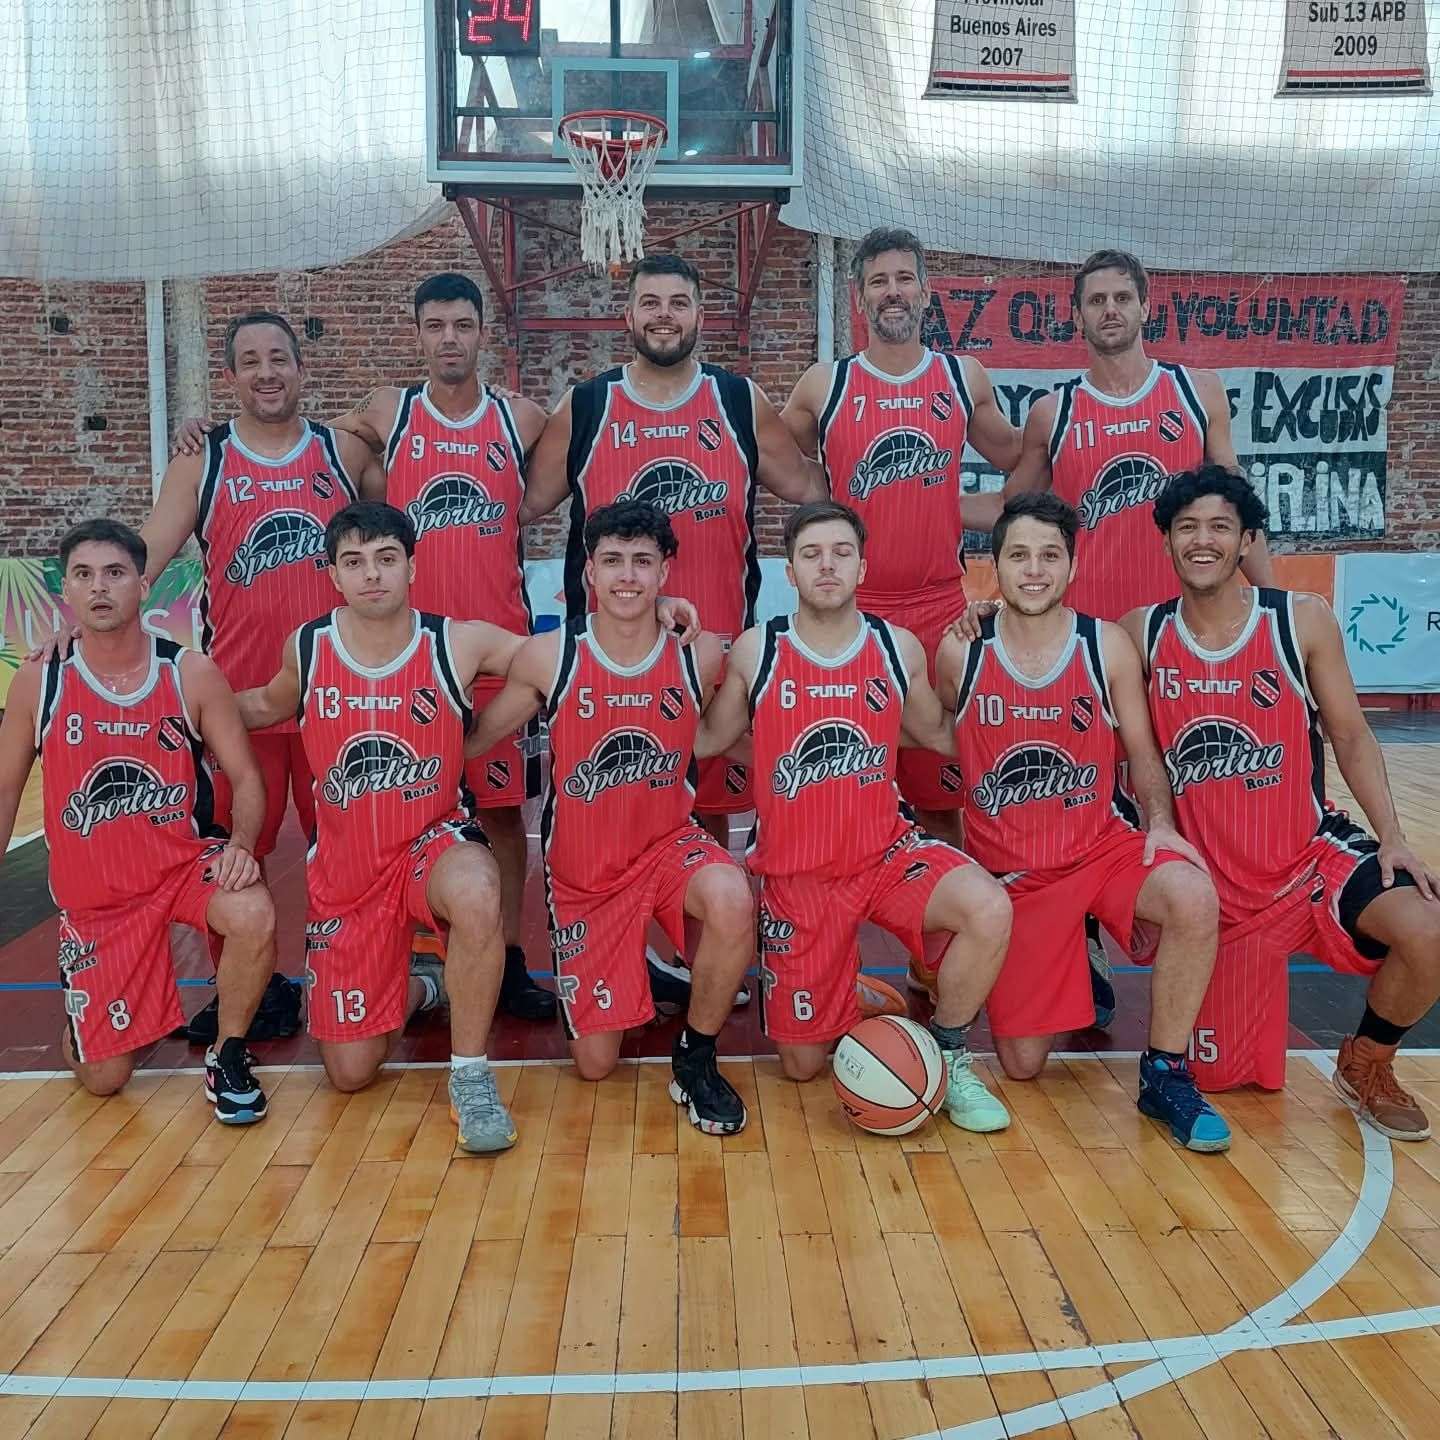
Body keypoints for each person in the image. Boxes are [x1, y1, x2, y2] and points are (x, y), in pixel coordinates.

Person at [175, 275, 557, 1021]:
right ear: (417, 335)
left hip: (486, 653)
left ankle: (506, 961)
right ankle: (359, 967)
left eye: (462, 325)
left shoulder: (522, 417)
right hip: (389, 659)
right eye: (435, 325)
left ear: (483, 332)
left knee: (501, 817)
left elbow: (557, 471)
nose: (449, 338)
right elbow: (286, 423)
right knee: (371, 818)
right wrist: (209, 430)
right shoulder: (383, 416)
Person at [522, 253, 827, 1004]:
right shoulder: (587, 406)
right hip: (608, 663)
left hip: (714, 655)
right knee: (611, 807)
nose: (665, 314)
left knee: (711, 814)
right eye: (651, 302)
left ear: (699, 315)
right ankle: (616, 948)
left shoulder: (738, 401)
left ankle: (696, 962)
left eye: (679, 302)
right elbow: (520, 501)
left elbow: (811, 489)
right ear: (628, 316)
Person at [1124, 465, 1440, 1138]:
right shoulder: (1140, 633)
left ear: (1246, 541)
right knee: (1219, 1079)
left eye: (1220, 527)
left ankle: (1368, 1062)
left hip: (1306, 862)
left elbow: (1350, 735)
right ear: (1166, 540)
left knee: (1431, 927)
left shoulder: (1300, 620)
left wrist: (1393, 835)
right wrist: (985, 621)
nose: (1202, 540)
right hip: (1210, 889)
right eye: (1186, 527)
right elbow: (1060, 657)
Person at [696, 500, 1013, 1131]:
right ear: (790, 570)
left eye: (841, 553)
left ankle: (951, 1053)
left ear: (862, 567)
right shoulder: (759, 650)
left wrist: (1002, 663)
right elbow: (709, 740)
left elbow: (939, 734)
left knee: (989, 907)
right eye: (812, 554)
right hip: (798, 876)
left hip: (886, 855)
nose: (827, 565)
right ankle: (852, 990)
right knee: (801, 1066)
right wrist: (676, 654)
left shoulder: (897, 647)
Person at [937, 492, 1230, 1151]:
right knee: (1022, 1064)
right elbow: (936, 742)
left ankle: (1165, 1073)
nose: (1034, 570)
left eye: (1050, 556)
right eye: (1018, 556)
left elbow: (1143, 752)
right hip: (1018, 878)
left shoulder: (1107, 645)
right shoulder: (960, 653)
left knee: (1192, 894)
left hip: (1099, 849)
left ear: (1073, 566)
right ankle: (1077, 952)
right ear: (994, 566)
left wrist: (1160, 821)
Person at [236, 502, 523, 1152]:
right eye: (355, 561)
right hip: (349, 873)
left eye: (386, 559)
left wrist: (478, 737)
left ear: (411, 567)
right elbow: (262, 704)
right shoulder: (308, 647)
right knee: (350, 1072)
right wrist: (170, 700)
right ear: (334, 575)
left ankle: (471, 1077)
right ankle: (426, 984)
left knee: (478, 890)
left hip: (432, 843)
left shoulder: (456, 641)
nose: (372, 574)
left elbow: (550, 661)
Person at [462, 501, 754, 1133]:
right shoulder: (550, 656)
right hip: (585, 878)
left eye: (643, 562)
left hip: (668, 847)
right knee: (596, 1065)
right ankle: (638, 968)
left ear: (665, 571)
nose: (627, 576)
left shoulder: (700, 654)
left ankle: (696, 1057)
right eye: (613, 561)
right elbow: (478, 738)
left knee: (733, 896)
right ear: (589, 571)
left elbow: (712, 737)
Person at [0, 520, 275, 1122]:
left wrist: (242, 843)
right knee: (105, 1078)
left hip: (182, 868)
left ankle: (228, 1054)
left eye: (115, 573)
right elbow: (5, 790)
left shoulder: (190, 673)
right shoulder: (39, 682)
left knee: (250, 908)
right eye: (83, 575)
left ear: (143, 586)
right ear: (66, 590)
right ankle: (91, 1018)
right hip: (99, 897)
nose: (99, 587)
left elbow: (247, 777)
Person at [782, 226, 1022, 844]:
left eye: (904, 279)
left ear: (925, 290)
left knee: (941, 797)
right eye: (879, 281)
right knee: (839, 787)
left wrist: (949, 508)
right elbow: (780, 466)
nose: (893, 291)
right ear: (859, 296)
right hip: (850, 612)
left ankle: (946, 907)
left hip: (940, 611)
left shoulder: (962, 378)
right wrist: (837, 500)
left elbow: (1019, 464)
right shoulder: (824, 386)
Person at [141, 312, 384, 866]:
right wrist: (79, 625)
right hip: (241, 699)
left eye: (278, 359)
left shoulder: (345, 453)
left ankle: (348, 931)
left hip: (337, 691)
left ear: (301, 368)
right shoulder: (202, 459)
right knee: (238, 856)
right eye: (250, 362)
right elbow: (144, 560)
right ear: (230, 376)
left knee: (355, 854)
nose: (266, 373)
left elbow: (405, 534)